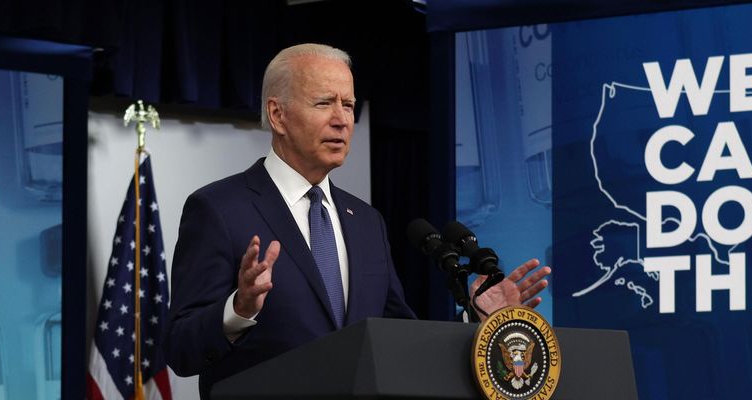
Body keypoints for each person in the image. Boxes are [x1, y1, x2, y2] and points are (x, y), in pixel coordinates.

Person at [163, 43, 551, 399]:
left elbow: (398, 339)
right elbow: (181, 348)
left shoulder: (366, 221)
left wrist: (475, 317)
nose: (341, 120)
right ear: (277, 114)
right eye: (323, 103)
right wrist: (239, 308)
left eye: (348, 105)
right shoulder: (218, 209)